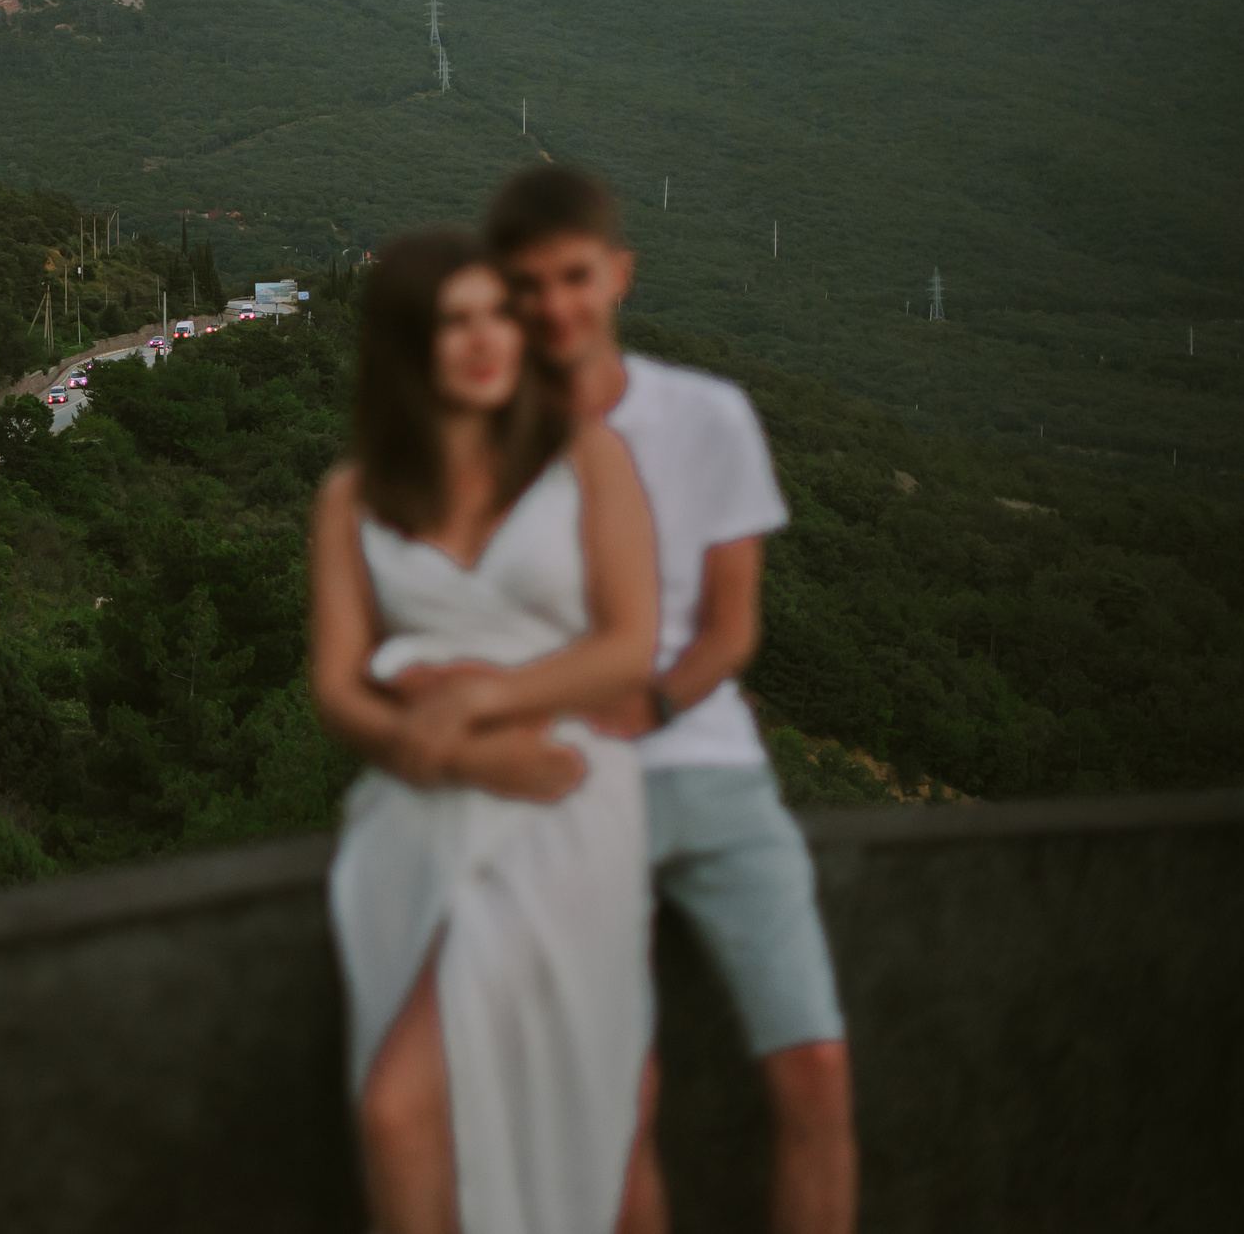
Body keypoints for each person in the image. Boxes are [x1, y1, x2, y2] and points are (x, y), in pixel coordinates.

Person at [483, 166, 856, 1234]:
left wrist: (644, 707)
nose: (556, 304)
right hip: (571, 801)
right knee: (616, 1107)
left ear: (618, 276)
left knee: (818, 1069)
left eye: (574, 277)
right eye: (530, 285)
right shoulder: (488, 448)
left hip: (715, 773)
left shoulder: (708, 417)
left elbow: (732, 625)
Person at [310, 227, 662, 1234]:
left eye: (499, 314)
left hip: (561, 798)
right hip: (419, 810)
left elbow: (628, 645)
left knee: (542, 1114)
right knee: (481, 1114)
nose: (485, 338)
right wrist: (467, 749)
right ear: (406, 344)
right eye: (454, 320)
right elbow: (337, 688)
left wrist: (473, 695)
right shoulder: (352, 497)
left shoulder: (587, 457)